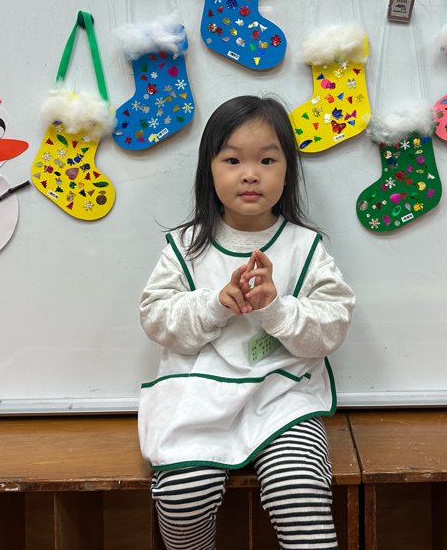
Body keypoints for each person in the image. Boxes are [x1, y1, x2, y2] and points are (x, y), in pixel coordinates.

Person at [139, 95, 354, 550]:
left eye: (267, 160)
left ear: (288, 172)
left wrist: (276, 309)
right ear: (209, 170)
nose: (250, 174)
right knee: (181, 497)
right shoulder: (185, 246)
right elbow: (156, 318)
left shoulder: (305, 246)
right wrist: (214, 305)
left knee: (300, 492)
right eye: (233, 159)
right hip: (198, 397)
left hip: (282, 398)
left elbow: (333, 325)